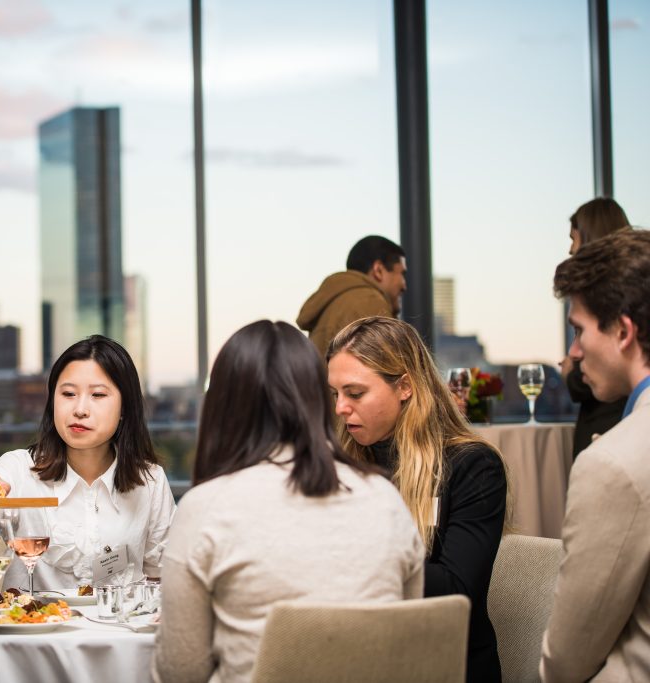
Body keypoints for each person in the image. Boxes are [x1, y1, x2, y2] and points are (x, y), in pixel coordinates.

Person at [153, 321, 423, 683]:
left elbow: (180, 672)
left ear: (223, 406)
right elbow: (410, 633)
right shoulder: (385, 497)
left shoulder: (204, 508)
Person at [327, 316, 507, 682]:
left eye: (355, 393)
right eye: (335, 394)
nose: (340, 408)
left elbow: (457, 591)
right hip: (359, 657)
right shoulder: (341, 467)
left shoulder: (472, 466)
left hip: (444, 664)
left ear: (405, 386)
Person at [0, 335, 175, 591]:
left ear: (125, 407)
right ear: (53, 402)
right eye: (68, 394)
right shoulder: (19, 470)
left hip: (117, 631)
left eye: (98, 395)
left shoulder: (150, 480)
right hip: (31, 629)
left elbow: (160, 577)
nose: (80, 409)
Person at [541, 229, 650, 682]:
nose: (573, 352)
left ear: (623, 331)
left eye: (579, 330)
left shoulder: (615, 462)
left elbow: (566, 661)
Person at [560, 197, 631, 457]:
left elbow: (585, 384)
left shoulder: (604, 295)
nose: (570, 249)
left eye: (574, 238)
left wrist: (570, 372)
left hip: (605, 423)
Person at [296, 235, 407, 359]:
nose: (404, 285)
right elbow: (388, 372)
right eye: (402, 273)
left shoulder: (333, 304)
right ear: (378, 270)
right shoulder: (370, 301)